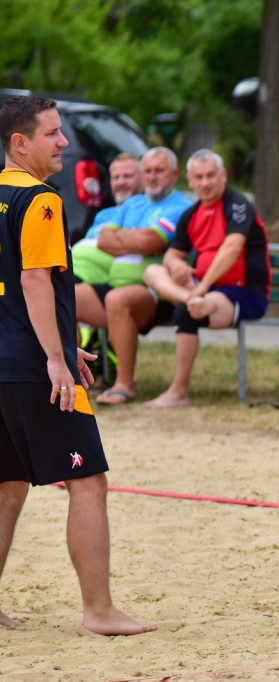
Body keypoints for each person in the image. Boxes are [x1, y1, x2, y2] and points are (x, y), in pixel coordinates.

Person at [0, 95, 156, 635]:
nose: (64, 141)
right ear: (20, 144)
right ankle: (99, 611)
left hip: (7, 360)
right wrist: (55, 359)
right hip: (31, 366)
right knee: (87, 481)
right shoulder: (40, 200)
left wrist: (64, 342)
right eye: (52, 133)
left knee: (8, 484)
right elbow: (33, 281)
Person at [142, 149, 270, 409]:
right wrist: (176, 264)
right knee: (152, 272)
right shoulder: (191, 214)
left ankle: (178, 393)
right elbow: (170, 256)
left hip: (244, 293)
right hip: (201, 291)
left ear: (223, 175)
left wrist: (202, 287)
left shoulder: (238, 205)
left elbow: (231, 249)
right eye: (199, 177)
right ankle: (192, 300)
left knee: (190, 311)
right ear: (189, 180)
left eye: (211, 175)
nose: (205, 182)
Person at [75, 147, 193, 405]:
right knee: (61, 297)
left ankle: (124, 384)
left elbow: (151, 239)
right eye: (147, 171)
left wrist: (126, 238)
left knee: (118, 299)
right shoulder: (132, 203)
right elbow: (105, 240)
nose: (152, 176)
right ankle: (73, 378)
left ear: (174, 174)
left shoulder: (181, 206)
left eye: (159, 171)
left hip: (155, 290)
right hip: (114, 282)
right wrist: (135, 239)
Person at [70, 153, 144, 286]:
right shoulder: (104, 214)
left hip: (94, 279)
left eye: (128, 176)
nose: (121, 182)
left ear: (143, 179)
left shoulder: (146, 211)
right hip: (71, 269)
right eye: (116, 177)